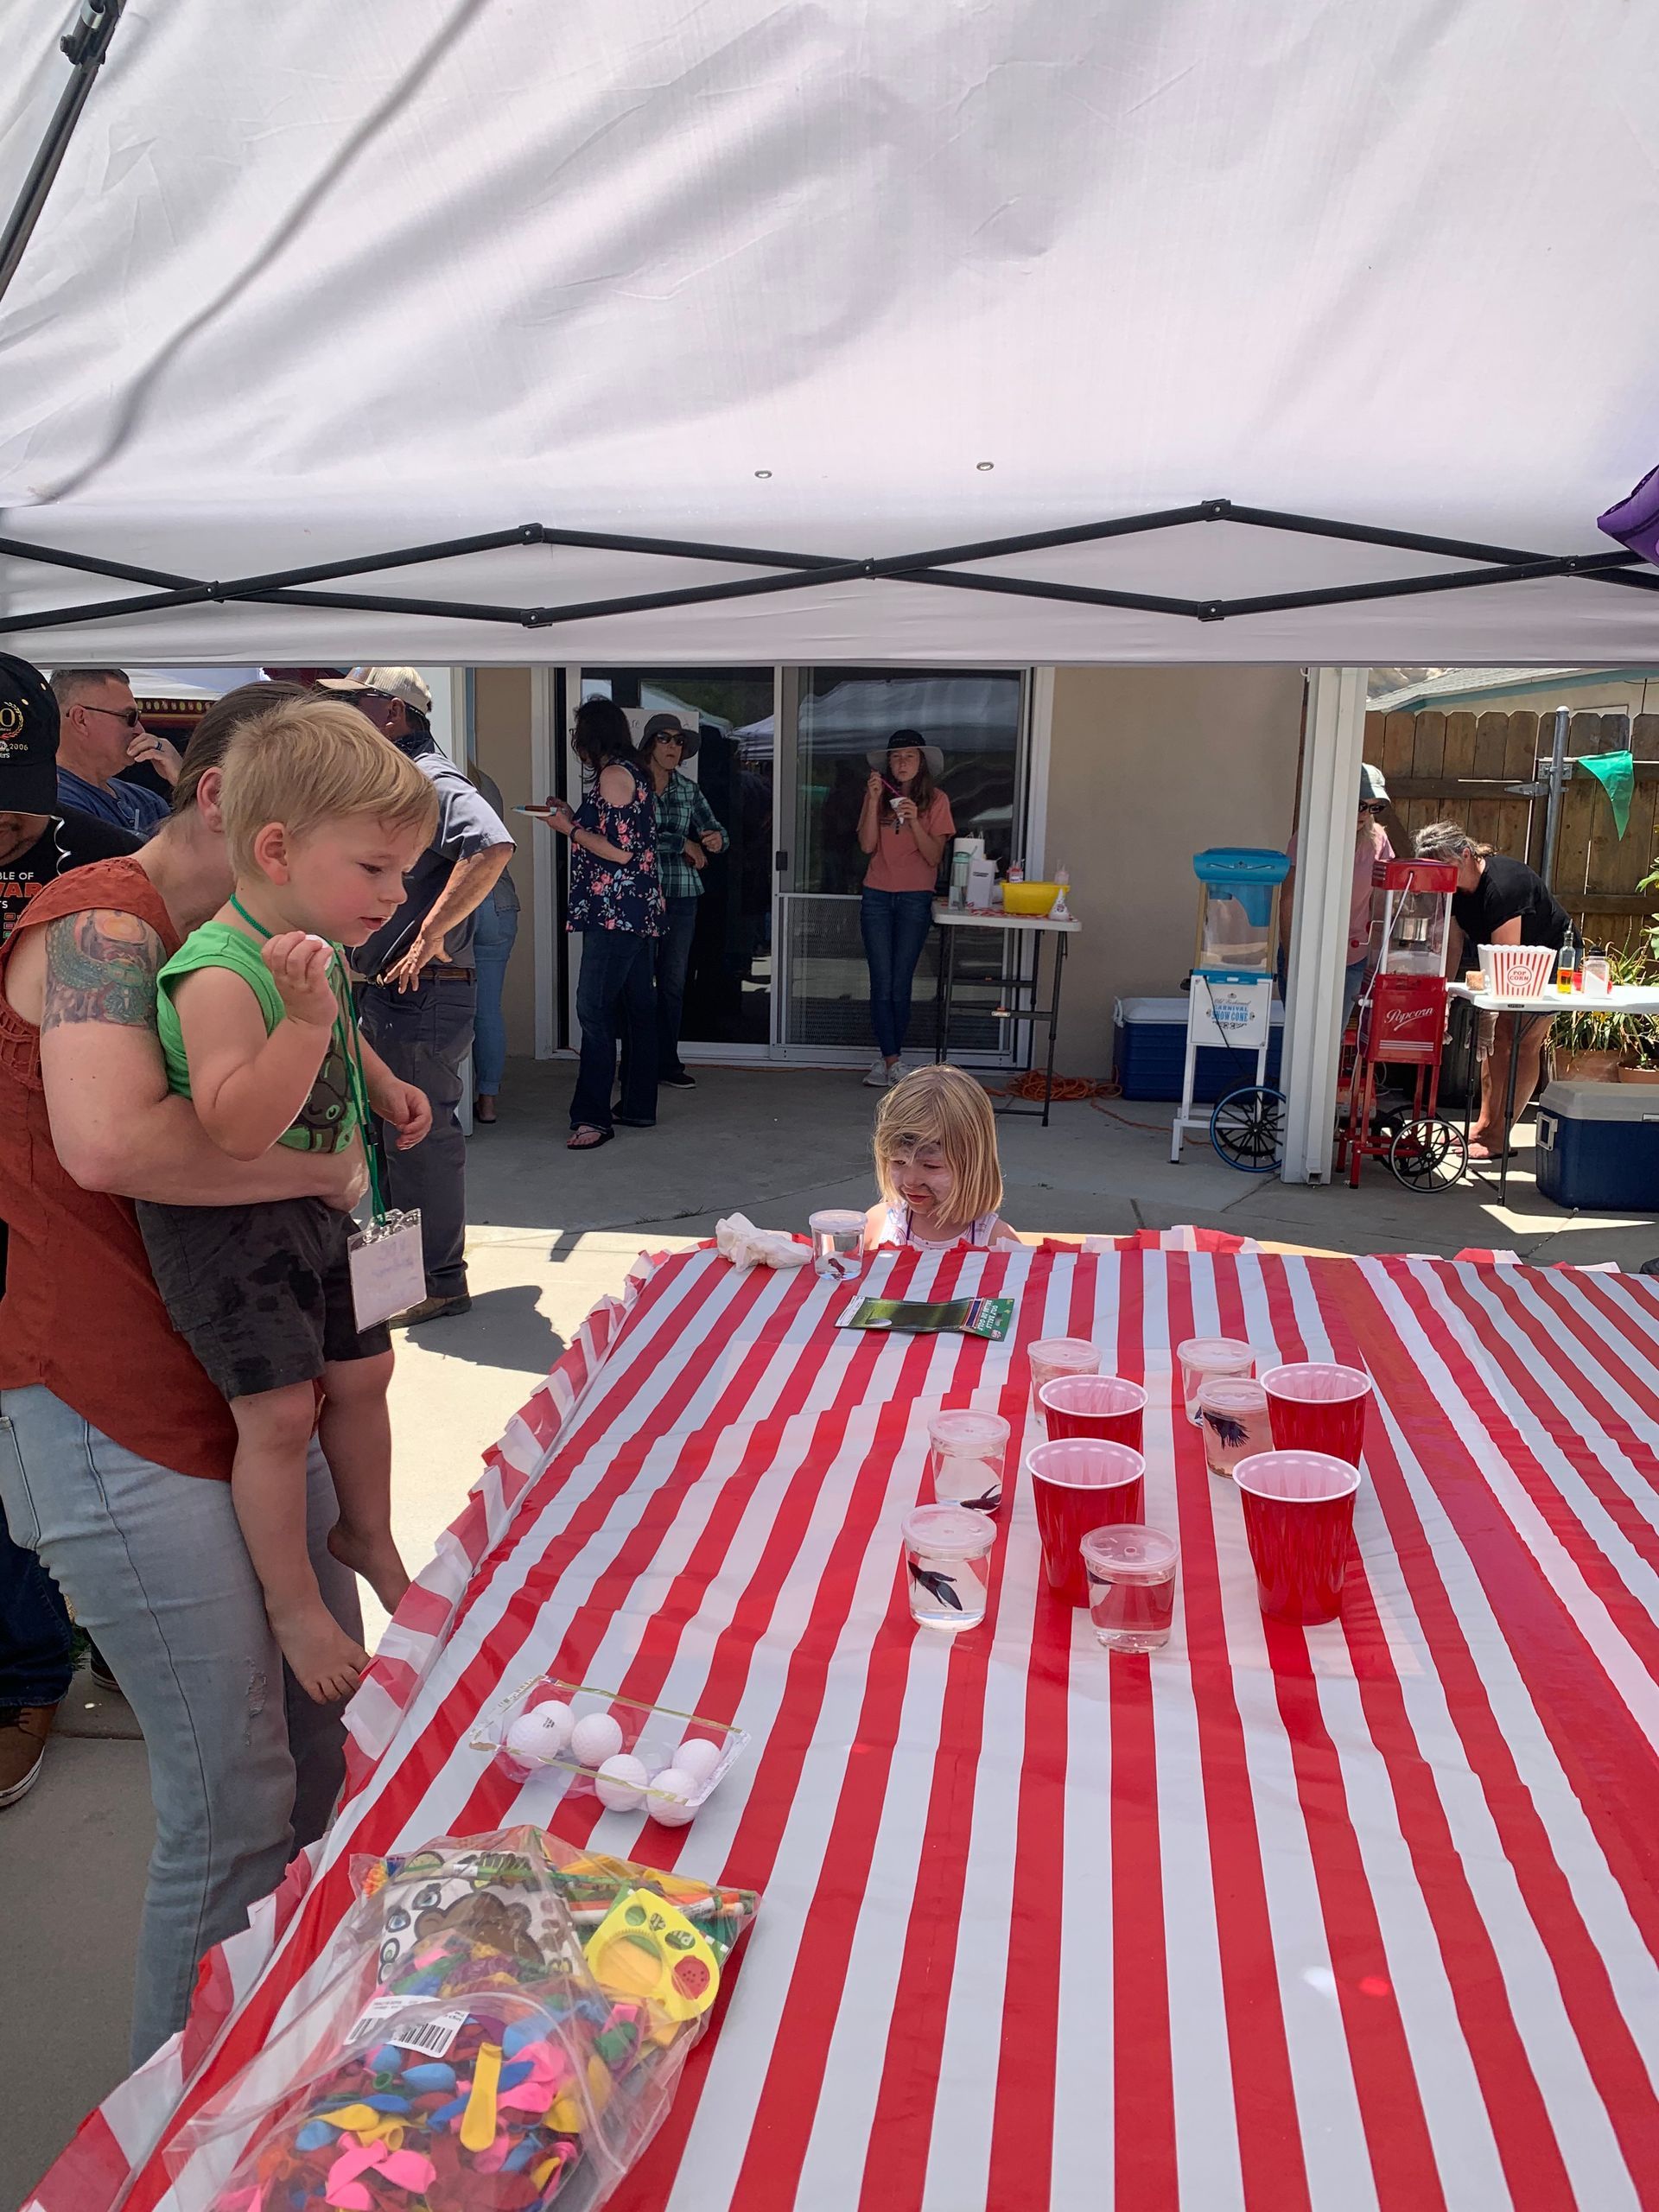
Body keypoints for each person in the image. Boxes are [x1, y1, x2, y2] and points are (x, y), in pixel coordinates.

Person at [0, 682, 371, 2063]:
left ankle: (294, 2057)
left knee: (321, 1736)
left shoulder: (254, 935)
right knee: (234, 1797)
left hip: (233, 1383)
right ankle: (177, 2137)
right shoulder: (102, 921)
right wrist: (328, 1172)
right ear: (237, 806)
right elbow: (107, 1147)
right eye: (350, 845)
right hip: (112, 1407)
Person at [135, 701, 436, 1703]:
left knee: (366, 1371)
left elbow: (341, 1027)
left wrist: (381, 1079)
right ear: (275, 847)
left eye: (401, 872)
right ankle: (294, 1601)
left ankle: (366, 1530)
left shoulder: (308, 944)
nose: (396, 896)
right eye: (375, 869)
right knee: (273, 1415)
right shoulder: (216, 971)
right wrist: (307, 1021)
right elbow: (232, 1123)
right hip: (233, 1227)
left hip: (320, 1201)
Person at [0, 653, 141, 1808]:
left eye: (24, 783)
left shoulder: (98, 873)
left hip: (75, 1208)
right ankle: (27, 1668)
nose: (10, 812)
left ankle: (107, 1643)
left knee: (86, 1442)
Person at [329, 670, 513, 1325]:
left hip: (422, 995)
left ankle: (437, 1281)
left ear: (393, 712)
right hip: (399, 996)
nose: (345, 710)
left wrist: (427, 936)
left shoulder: (429, 780)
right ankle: (410, 1279)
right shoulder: (402, 780)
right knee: (396, 1139)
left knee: (417, 1138)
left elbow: (490, 843)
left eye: (356, 701)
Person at [542, 696, 664, 1151]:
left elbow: (620, 852)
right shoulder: (631, 773)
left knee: (593, 1011)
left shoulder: (614, 775)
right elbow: (617, 837)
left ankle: (593, 1117)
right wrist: (572, 817)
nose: (576, 745)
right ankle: (636, 1105)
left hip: (615, 912)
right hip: (633, 911)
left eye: (579, 736)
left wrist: (568, 830)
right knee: (636, 1008)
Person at [1415, 820, 1570, 1161]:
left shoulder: (1504, 887)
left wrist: (1489, 1011)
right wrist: (1440, 993)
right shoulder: (1454, 890)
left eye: (1444, 867)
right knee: (1494, 1044)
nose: (1440, 876)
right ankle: (1485, 1125)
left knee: (1517, 1040)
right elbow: (1452, 946)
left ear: (1466, 855)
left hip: (1549, 960)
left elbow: (1507, 956)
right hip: (1506, 961)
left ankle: (1500, 1136)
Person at [856, 731, 954, 1086]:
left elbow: (934, 857)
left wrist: (913, 819)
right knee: (881, 981)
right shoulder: (878, 799)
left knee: (901, 981)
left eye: (908, 756)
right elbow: (867, 846)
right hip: (877, 895)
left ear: (921, 762)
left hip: (915, 896)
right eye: (895, 757)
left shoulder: (937, 800)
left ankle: (890, 1059)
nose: (901, 763)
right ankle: (891, 1059)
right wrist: (871, 800)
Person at [635, 711, 725, 1089]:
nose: (673, 746)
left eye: (679, 741)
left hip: (682, 895)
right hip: (637, 896)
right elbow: (633, 837)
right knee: (637, 983)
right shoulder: (629, 784)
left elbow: (715, 827)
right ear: (650, 743)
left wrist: (715, 839)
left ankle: (667, 1062)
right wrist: (682, 842)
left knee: (672, 983)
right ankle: (638, 1064)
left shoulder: (688, 788)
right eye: (665, 739)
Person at [1281, 762, 1395, 1030]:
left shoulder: (1378, 840)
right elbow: (1289, 900)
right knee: (1300, 1032)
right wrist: (1290, 955)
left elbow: (1382, 905)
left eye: (1374, 807)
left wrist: (1382, 958)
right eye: (1359, 805)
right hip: (1307, 952)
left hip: (1353, 955)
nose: (1366, 814)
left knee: (1332, 1034)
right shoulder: (1310, 836)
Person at [863, 1064, 1021, 1251]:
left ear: (972, 1164)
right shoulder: (879, 1225)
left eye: (931, 1166)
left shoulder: (996, 1241)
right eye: (898, 1162)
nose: (910, 1181)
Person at [49, 666, 180, 836]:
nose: (140, 730)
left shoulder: (148, 801)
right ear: (81, 719)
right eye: (130, 717)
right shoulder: (53, 799)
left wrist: (183, 780)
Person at [468, 763, 518, 1124]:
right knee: (488, 1011)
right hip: (500, 901)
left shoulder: (433, 777)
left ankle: (450, 1103)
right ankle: (487, 1102)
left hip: (464, 902)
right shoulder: (487, 782)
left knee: (445, 1008)